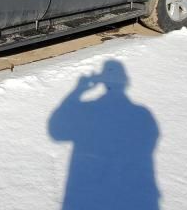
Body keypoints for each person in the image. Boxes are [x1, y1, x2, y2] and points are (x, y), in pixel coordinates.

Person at [48, 60, 160, 210]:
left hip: (87, 194)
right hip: (136, 195)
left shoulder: (88, 112)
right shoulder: (143, 115)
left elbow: (56, 131)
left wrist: (78, 90)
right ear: (126, 82)